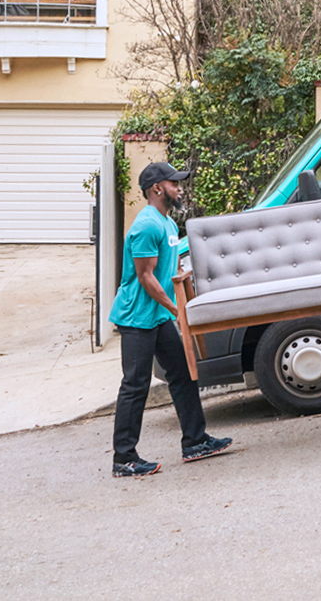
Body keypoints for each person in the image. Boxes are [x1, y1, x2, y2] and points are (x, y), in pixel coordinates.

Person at [110, 161, 233, 477]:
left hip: (156, 316)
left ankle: (195, 441)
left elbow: (166, 271)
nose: (179, 188)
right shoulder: (146, 226)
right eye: (174, 183)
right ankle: (124, 458)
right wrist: (176, 310)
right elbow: (145, 277)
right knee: (135, 385)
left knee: (182, 372)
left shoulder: (165, 224)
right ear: (157, 189)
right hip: (137, 317)